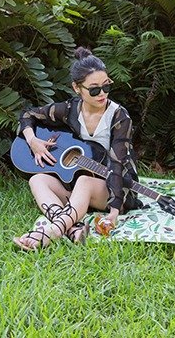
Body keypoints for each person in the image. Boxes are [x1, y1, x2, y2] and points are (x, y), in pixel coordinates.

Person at [13, 47, 142, 251]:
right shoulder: (71, 109)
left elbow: (118, 164)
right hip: (78, 186)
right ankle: (74, 229)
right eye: (94, 89)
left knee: (84, 181)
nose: (102, 94)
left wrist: (114, 212)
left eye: (106, 87)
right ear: (77, 88)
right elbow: (29, 115)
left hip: (116, 188)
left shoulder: (120, 116)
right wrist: (33, 141)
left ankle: (52, 232)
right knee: (37, 179)